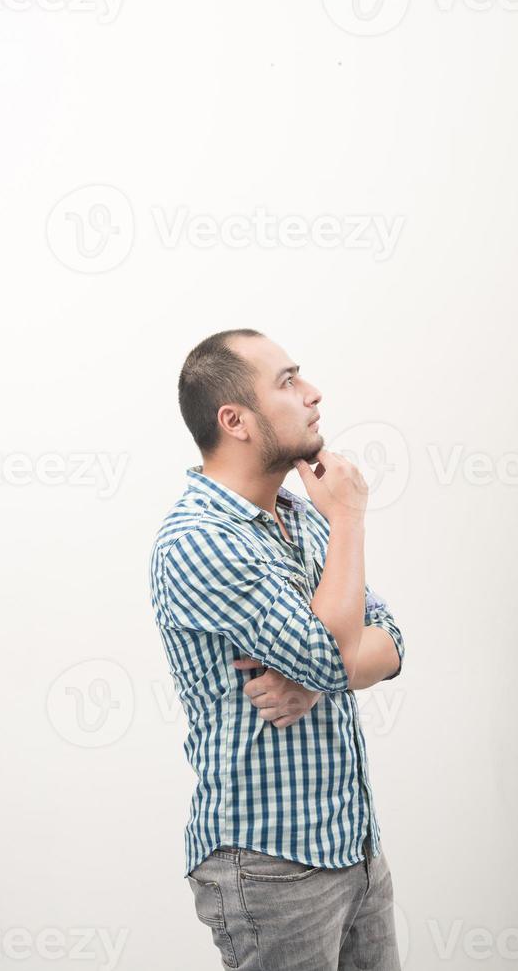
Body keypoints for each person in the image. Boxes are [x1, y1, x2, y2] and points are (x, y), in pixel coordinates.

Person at [149, 328, 405, 969]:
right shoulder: (200, 541)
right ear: (233, 420)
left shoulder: (302, 512)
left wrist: (319, 675)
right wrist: (349, 520)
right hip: (270, 866)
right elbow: (335, 650)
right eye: (288, 381)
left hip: (354, 845)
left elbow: (392, 639)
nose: (314, 394)